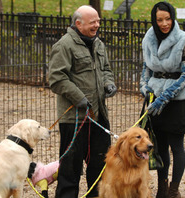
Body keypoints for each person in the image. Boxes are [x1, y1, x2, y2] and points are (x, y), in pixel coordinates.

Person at [48, 5, 117, 198]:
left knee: (101, 167)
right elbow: (56, 78)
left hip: (99, 116)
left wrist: (109, 84)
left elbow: (106, 71)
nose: (97, 25)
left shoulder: (98, 44)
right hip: (74, 119)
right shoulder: (64, 45)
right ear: (78, 23)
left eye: (98, 22)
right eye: (92, 22)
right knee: (70, 169)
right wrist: (78, 97)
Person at [140, 2, 185, 198]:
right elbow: (146, 67)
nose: (164, 23)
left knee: (176, 146)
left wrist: (164, 98)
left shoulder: (184, 40)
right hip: (154, 99)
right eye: (160, 20)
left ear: (173, 17)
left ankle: (174, 189)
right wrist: (144, 87)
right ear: (154, 21)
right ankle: (162, 189)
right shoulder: (149, 38)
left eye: (168, 19)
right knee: (160, 146)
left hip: (175, 100)